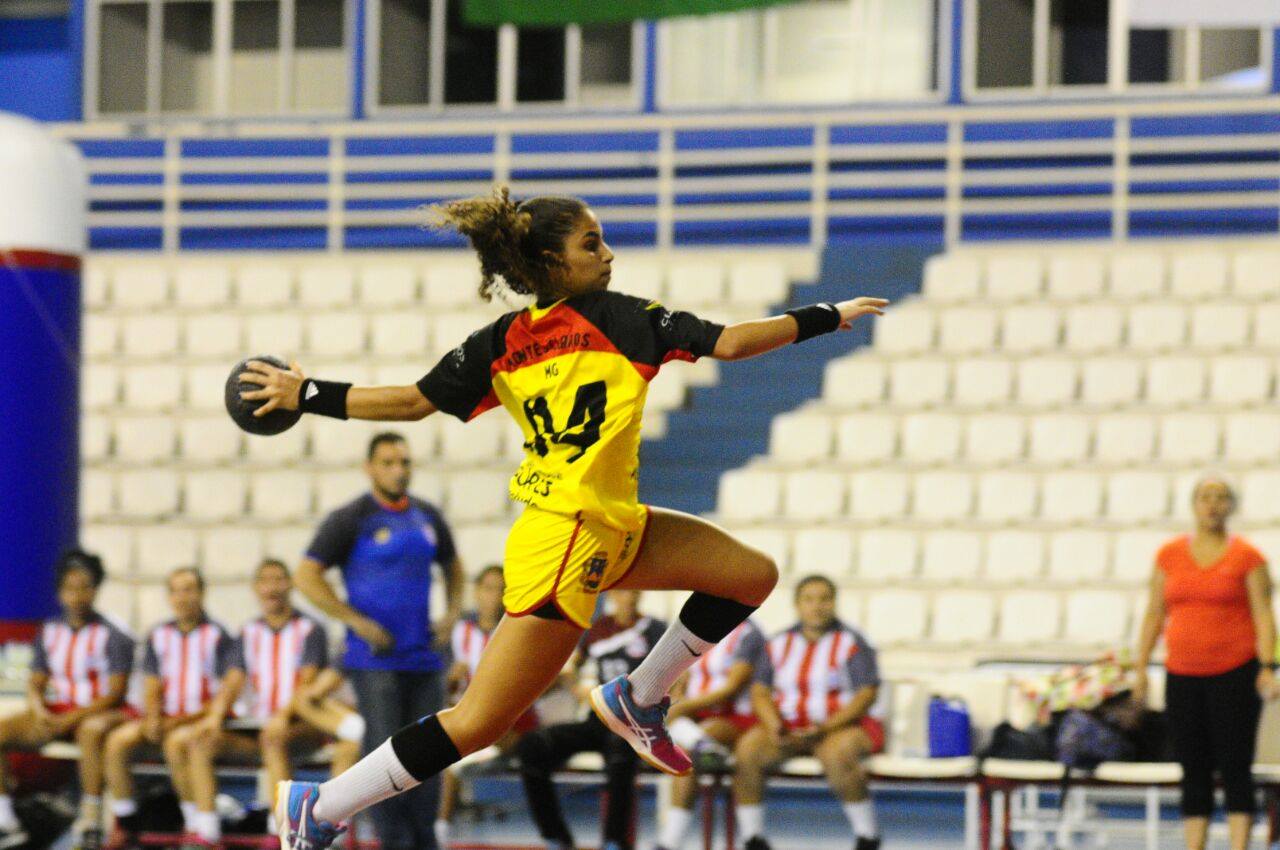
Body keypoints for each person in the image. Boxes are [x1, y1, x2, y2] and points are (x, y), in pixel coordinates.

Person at [236, 186, 885, 850]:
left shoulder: (500, 342)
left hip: (609, 522)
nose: (608, 253)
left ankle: (639, 695)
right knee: (478, 722)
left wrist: (307, 394)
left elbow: (410, 402)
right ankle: (320, 805)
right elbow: (732, 343)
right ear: (551, 262)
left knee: (749, 575)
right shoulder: (621, 319)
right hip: (567, 541)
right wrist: (824, 315)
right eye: (591, 243)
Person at [292, 431, 464, 850]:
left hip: (424, 660)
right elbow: (306, 575)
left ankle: (426, 840)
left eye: (404, 462)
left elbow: (454, 567)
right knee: (384, 756)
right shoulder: (351, 518)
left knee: (430, 754)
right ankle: (393, 841)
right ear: (370, 467)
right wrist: (356, 621)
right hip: (375, 660)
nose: (398, 471)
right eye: (388, 463)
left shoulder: (427, 515)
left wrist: (452, 614)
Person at [1133, 476, 1279, 850]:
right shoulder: (1169, 556)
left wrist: (1269, 665)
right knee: (1192, 766)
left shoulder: (1248, 558)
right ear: (1194, 505)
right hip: (1182, 673)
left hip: (1235, 672)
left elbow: (1264, 615)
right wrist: (1140, 668)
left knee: (1234, 764)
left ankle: (1237, 845)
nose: (1213, 505)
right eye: (1205, 497)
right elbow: (1154, 614)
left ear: (1231, 506)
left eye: (1221, 498)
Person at [181, 559, 361, 845]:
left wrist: (282, 716)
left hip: (301, 726)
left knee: (275, 738)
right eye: (265, 580)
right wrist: (214, 718)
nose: (272, 587)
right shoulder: (247, 632)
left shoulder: (310, 629)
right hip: (257, 727)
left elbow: (307, 685)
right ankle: (206, 830)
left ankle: (280, 830)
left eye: (278, 579)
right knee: (200, 741)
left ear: (289, 584)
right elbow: (233, 680)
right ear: (255, 588)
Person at [733, 575, 884, 850]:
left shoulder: (852, 642)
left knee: (838, 755)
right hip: (788, 727)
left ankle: (867, 836)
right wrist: (773, 724)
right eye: (809, 599)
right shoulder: (777, 643)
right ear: (797, 604)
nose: (817, 606)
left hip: (840, 727)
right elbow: (760, 691)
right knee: (747, 751)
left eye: (824, 599)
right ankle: (752, 838)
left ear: (834, 603)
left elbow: (866, 694)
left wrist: (826, 728)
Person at [0, 551, 134, 850]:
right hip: (59, 711)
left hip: (101, 711)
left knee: (92, 730)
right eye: (71, 588)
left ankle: (91, 817)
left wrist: (73, 718)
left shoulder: (113, 633)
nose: (78, 596)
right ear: (61, 592)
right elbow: (35, 681)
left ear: (96, 590)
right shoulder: (49, 631)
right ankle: (5, 820)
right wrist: (38, 709)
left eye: (85, 587)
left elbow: (115, 692)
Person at [516, 590, 666, 850]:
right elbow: (572, 666)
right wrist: (575, 686)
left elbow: (675, 676)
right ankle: (555, 837)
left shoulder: (654, 629)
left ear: (640, 594)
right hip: (599, 718)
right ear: (613, 595)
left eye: (634, 593)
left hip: (636, 722)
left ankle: (614, 841)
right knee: (532, 746)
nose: (628, 598)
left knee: (621, 754)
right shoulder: (597, 629)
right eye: (623, 592)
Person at [103, 568, 242, 845]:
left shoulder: (219, 636)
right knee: (117, 741)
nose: (183, 597)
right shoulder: (158, 635)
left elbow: (224, 692)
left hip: (197, 721)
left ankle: (197, 824)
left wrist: (175, 723)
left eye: (189, 589)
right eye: (176, 590)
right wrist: (153, 717)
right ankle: (127, 821)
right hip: (165, 719)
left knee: (177, 741)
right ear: (169, 596)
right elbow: (152, 684)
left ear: (201, 594)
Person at [435, 565, 537, 849]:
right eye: (489, 588)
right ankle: (431, 828)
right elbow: (437, 690)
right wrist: (450, 680)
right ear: (476, 592)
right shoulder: (456, 633)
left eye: (501, 589)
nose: (494, 596)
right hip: (462, 719)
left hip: (508, 724)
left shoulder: (521, 631)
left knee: (449, 759)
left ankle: (439, 833)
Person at [655, 616, 765, 850]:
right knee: (682, 756)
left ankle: (668, 842)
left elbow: (732, 688)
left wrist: (683, 707)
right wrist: (676, 701)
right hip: (696, 715)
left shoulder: (748, 634)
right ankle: (669, 843)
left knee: (685, 739)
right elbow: (682, 677)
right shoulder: (699, 629)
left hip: (733, 715)